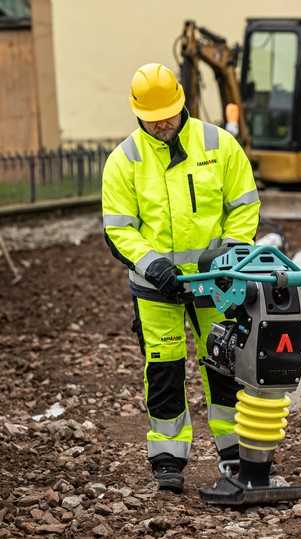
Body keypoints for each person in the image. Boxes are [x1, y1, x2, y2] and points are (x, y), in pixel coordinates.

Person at [101, 63, 260, 493]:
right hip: (157, 289)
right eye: (155, 117)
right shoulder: (124, 161)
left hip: (217, 284)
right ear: (138, 114)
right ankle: (167, 458)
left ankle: (235, 452)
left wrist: (230, 250)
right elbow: (118, 229)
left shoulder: (218, 144)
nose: (164, 122)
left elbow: (244, 203)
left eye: (170, 112)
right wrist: (153, 264)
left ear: (182, 102)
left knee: (225, 363)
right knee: (165, 369)